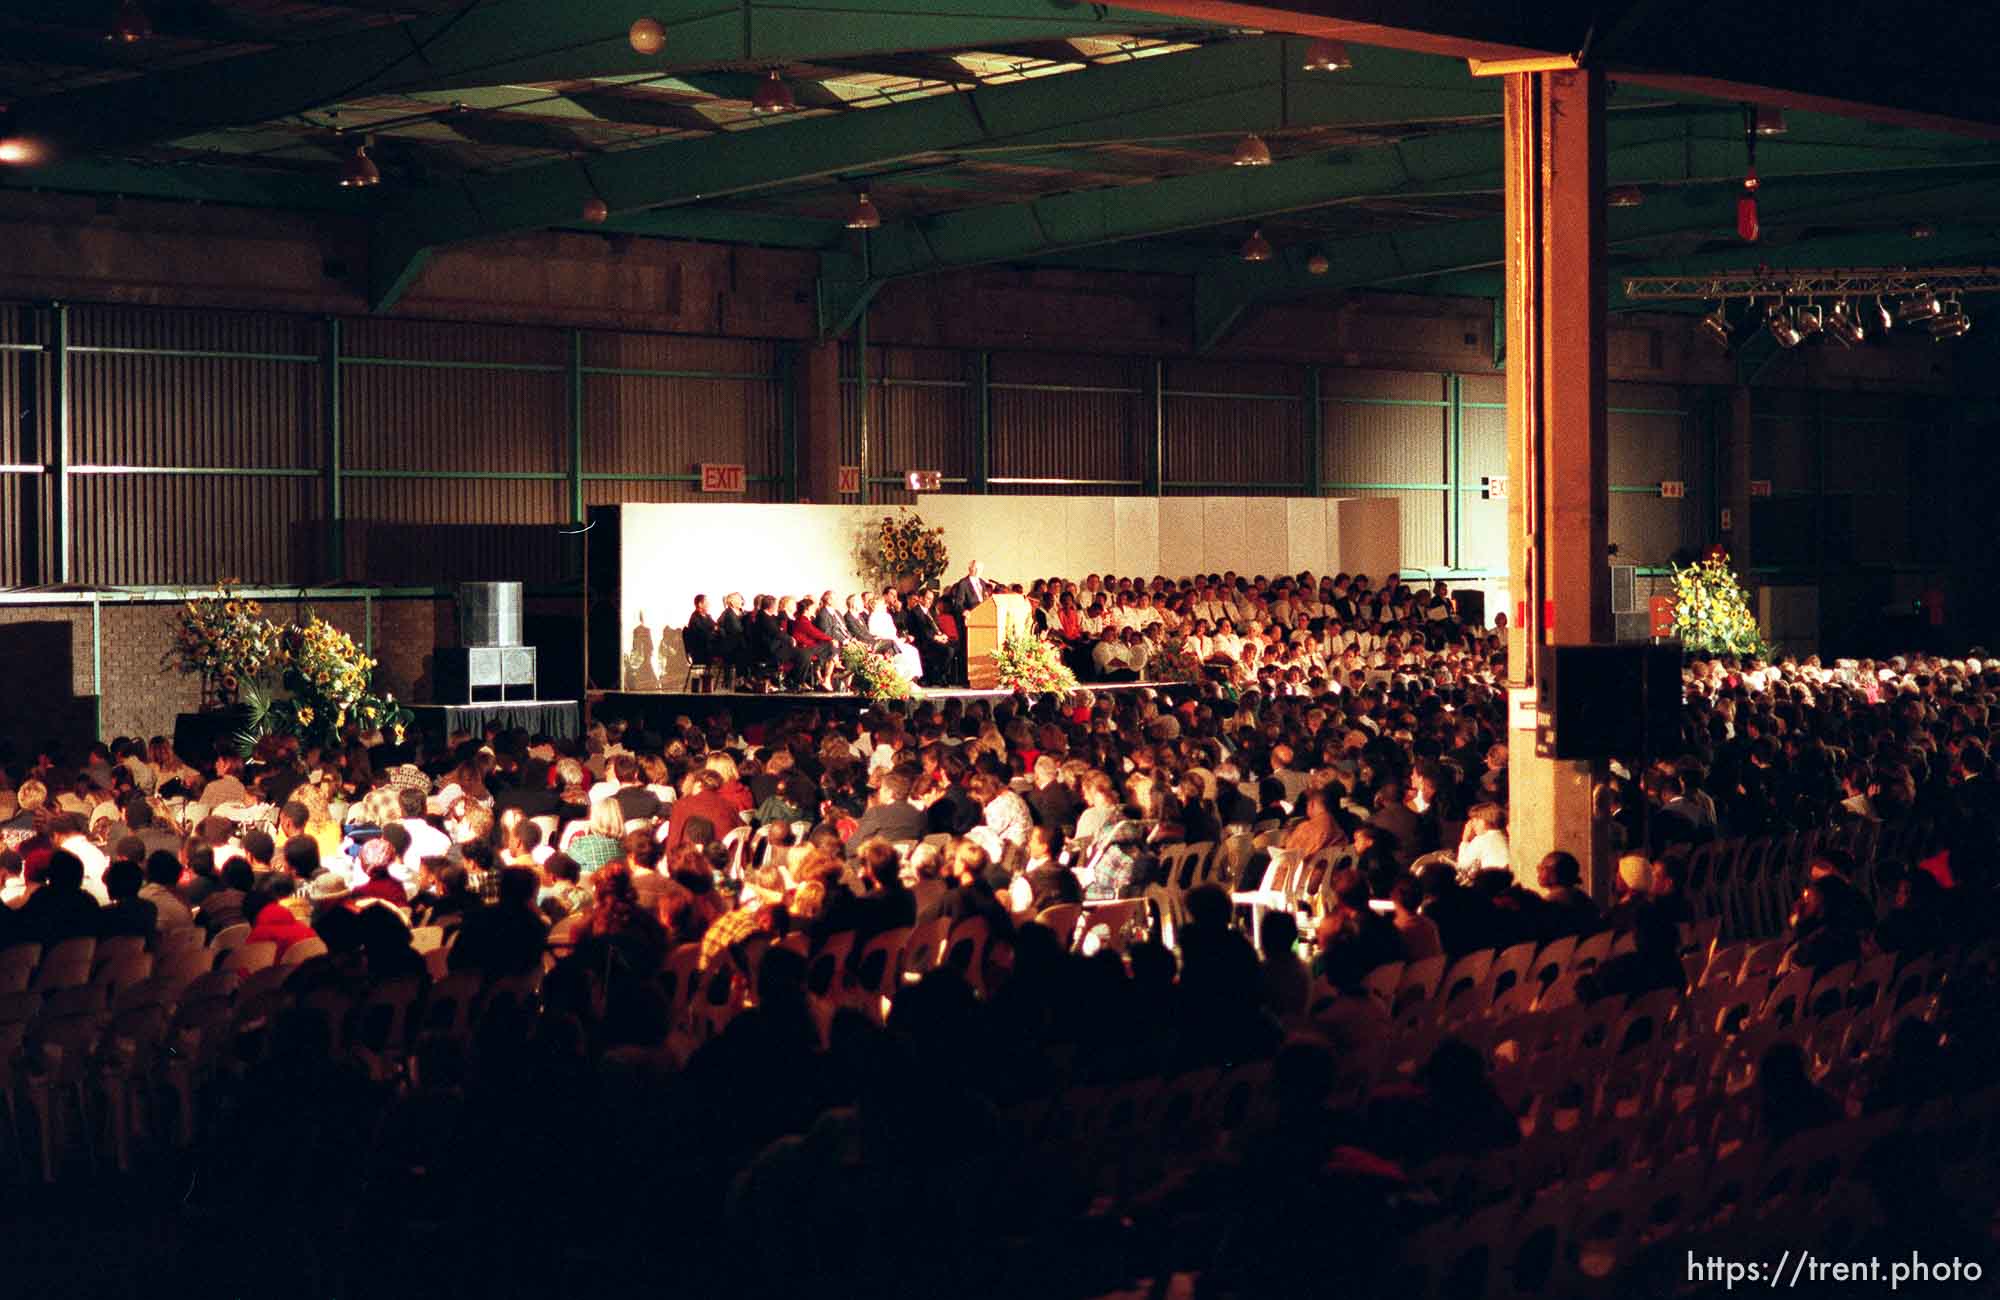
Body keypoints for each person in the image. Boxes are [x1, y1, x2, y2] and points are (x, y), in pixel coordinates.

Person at [847, 770, 928, 846]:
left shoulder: (877, 813)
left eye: (881, 788)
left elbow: (853, 846)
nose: (879, 792)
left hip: (879, 858)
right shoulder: (919, 815)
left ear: (889, 792)